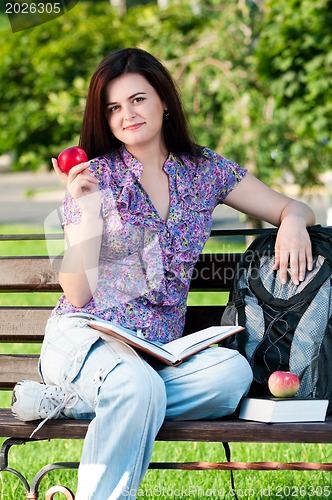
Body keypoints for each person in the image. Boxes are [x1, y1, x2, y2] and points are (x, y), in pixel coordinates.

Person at [11, 48, 315, 499]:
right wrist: (90, 210)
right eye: (113, 108)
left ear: (164, 101)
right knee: (132, 384)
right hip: (85, 339)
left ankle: (72, 404)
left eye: (138, 99)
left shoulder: (204, 170)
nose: (127, 115)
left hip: (157, 355)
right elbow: (76, 293)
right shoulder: (93, 177)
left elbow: (293, 206)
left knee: (230, 373)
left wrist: (291, 222)